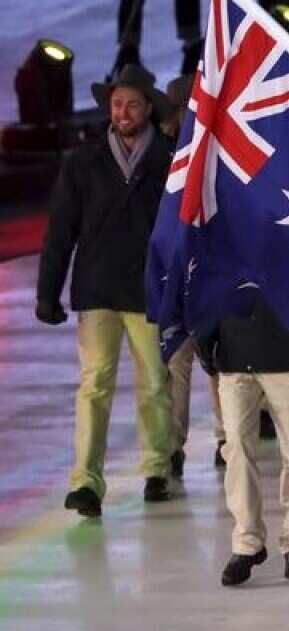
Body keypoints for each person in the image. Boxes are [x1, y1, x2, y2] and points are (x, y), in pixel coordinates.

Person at [36, 65, 176, 517]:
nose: (123, 111)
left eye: (132, 103)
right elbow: (60, 231)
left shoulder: (171, 161)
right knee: (94, 385)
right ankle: (85, 482)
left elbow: (184, 230)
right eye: (117, 104)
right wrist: (47, 292)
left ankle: (156, 468)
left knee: (154, 384)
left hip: (148, 290)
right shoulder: (83, 163)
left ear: (149, 108)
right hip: (97, 288)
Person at [198, 286, 289, 586]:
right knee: (236, 448)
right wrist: (203, 332)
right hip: (233, 355)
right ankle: (246, 542)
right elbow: (207, 276)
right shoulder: (223, 238)